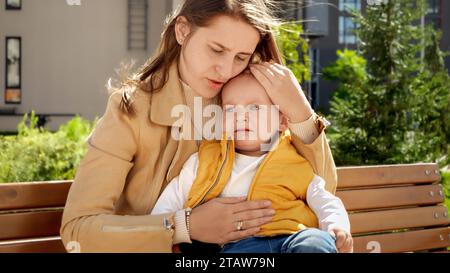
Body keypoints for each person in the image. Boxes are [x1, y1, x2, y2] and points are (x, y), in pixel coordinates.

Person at [60, 0, 337, 253]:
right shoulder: (130, 110)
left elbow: (321, 187)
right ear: (182, 31)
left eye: (241, 57)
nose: (226, 70)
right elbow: (78, 230)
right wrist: (183, 226)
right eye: (216, 50)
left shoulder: (248, 101)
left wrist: (301, 113)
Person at [151, 72, 352, 253]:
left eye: (255, 107)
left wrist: (337, 225)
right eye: (230, 110)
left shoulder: (294, 159)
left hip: (293, 235)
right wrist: (164, 234)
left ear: (282, 121)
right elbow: (170, 202)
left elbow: (324, 199)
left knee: (314, 244)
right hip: (240, 244)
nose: (240, 116)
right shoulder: (205, 161)